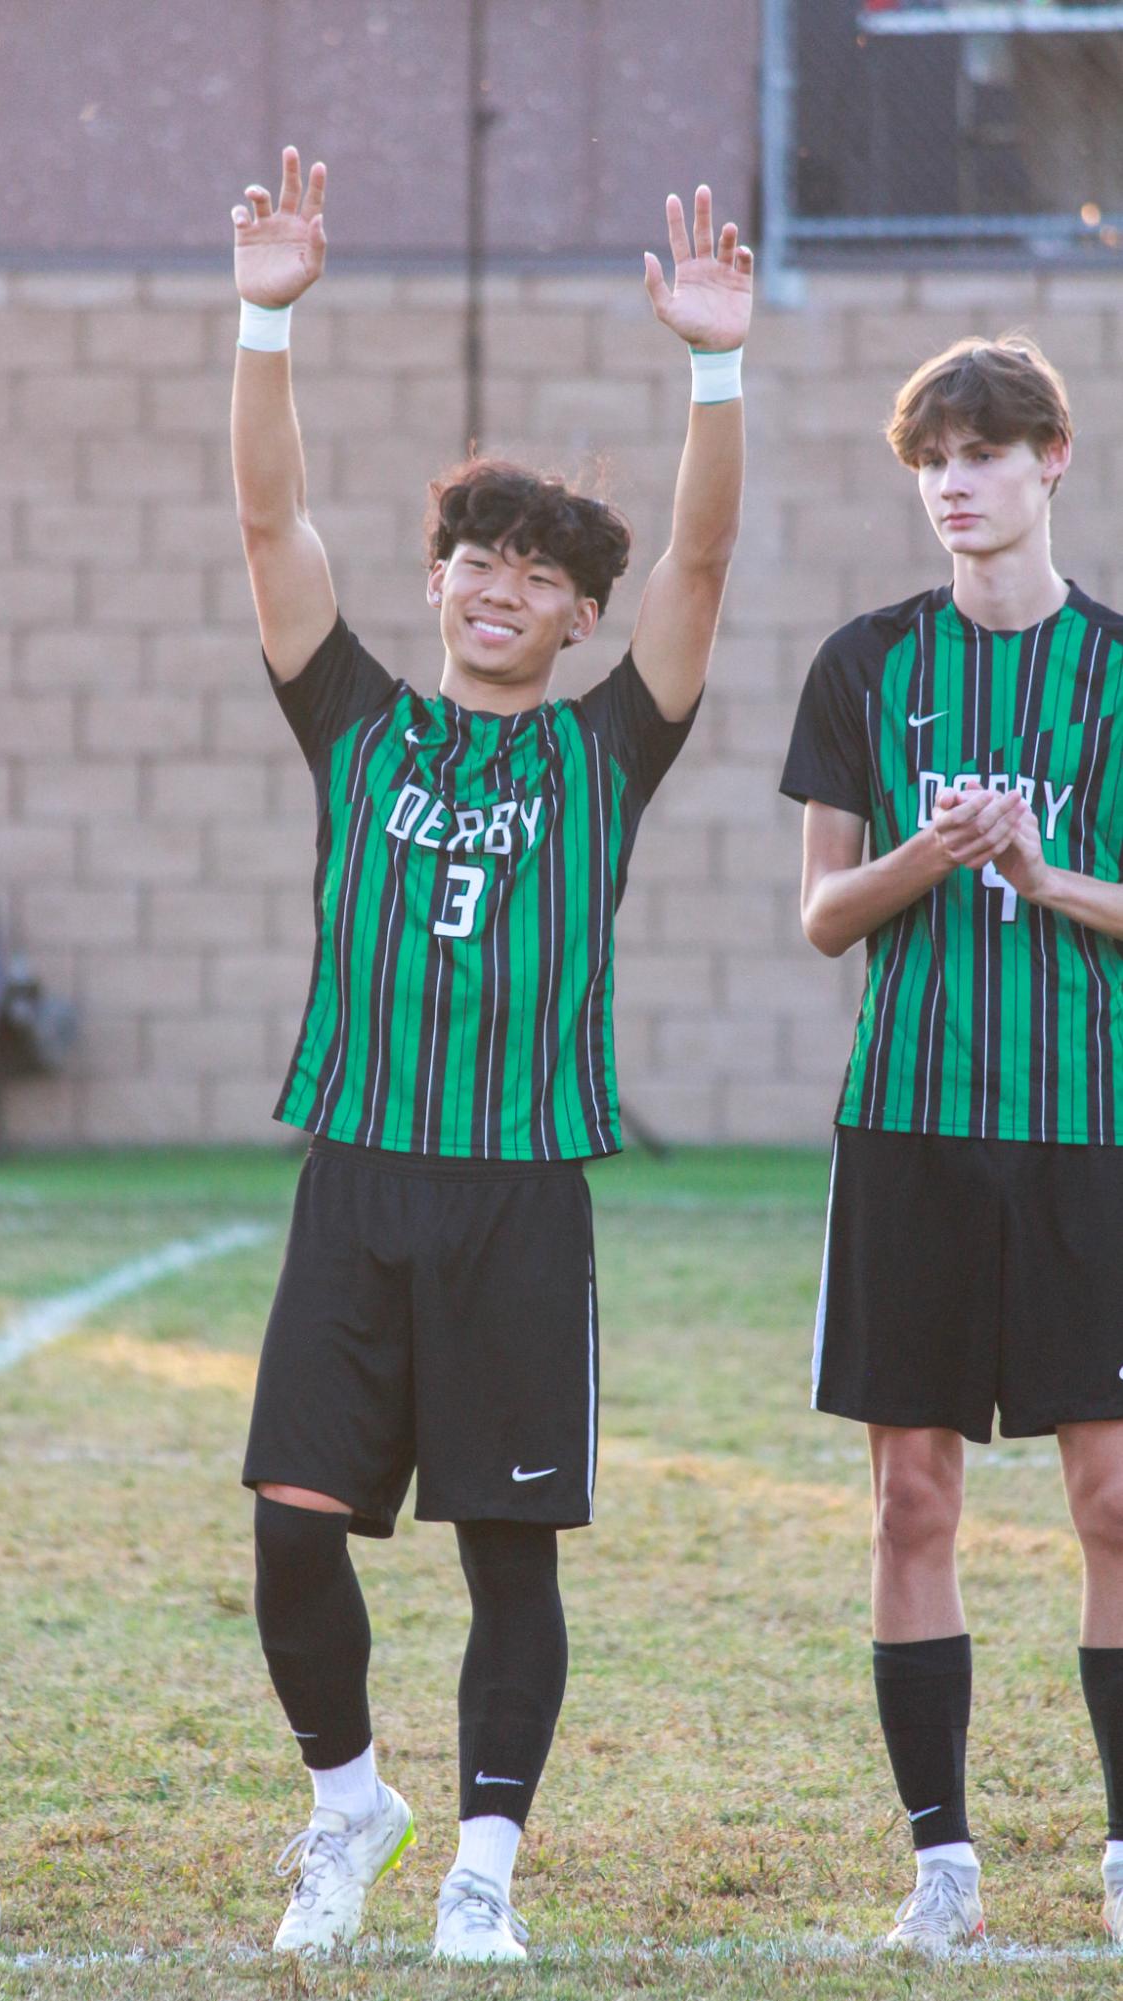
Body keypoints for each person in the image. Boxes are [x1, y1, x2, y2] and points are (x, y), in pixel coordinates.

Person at [229, 146, 751, 1962]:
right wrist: (263, 319)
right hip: (356, 1179)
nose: (494, 589)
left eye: (533, 574)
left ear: (574, 616)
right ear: (438, 583)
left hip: (523, 1196)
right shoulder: (357, 725)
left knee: (500, 1556)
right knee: (294, 1528)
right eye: (472, 563)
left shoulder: (603, 755)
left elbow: (698, 552)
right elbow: (269, 532)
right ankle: (345, 1804)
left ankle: (481, 1871)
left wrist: (712, 367)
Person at [781, 333, 1123, 1954]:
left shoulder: (1118, 671)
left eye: (983, 453)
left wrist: (1048, 879)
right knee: (911, 1499)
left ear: (1051, 460)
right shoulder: (864, 664)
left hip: (1085, 1133)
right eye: (932, 459)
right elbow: (821, 917)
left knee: (1112, 1498)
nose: (953, 482)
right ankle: (941, 1865)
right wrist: (933, 847)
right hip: (907, 1127)